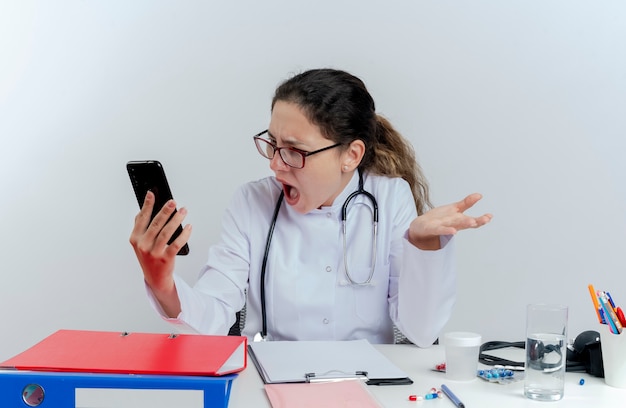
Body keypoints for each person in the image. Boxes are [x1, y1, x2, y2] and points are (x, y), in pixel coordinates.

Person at [129, 68, 492, 347]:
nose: (275, 164)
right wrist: (164, 286)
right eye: (272, 144)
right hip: (268, 381)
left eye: (295, 151)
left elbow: (421, 331)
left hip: (365, 383)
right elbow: (212, 314)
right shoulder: (251, 202)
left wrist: (424, 247)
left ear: (351, 155)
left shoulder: (390, 198)